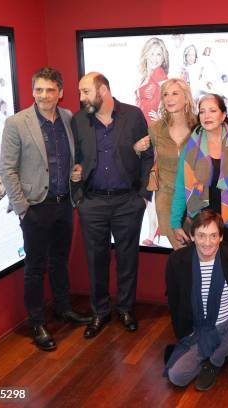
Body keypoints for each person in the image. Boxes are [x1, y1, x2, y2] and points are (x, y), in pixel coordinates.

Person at [0, 67, 90, 352]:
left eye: (50, 90)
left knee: (60, 261)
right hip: (35, 208)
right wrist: (23, 209)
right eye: (39, 89)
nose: (44, 95)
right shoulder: (17, 122)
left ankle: (63, 308)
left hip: (64, 204)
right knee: (35, 268)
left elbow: (72, 158)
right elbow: (7, 169)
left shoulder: (67, 118)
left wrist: (76, 171)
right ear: (32, 91)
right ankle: (37, 322)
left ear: (60, 93)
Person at [72, 72, 154, 338]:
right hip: (92, 202)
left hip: (127, 202)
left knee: (127, 258)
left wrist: (143, 195)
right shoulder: (79, 120)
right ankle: (100, 312)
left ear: (103, 90)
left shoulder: (133, 115)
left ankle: (126, 308)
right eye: (80, 92)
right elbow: (73, 158)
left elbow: (147, 154)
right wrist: (78, 196)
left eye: (85, 91)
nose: (81, 97)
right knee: (96, 259)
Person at [164, 209, 228, 391]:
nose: (207, 243)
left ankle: (215, 361)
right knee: (176, 376)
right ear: (192, 236)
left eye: (213, 236)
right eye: (201, 236)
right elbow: (175, 302)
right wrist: (184, 335)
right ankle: (226, 348)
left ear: (221, 237)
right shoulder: (177, 261)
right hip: (200, 331)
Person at [170, 93, 228, 246]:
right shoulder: (191, 145)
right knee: (204, 266)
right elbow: (181, 185)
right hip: (201, 217)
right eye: (202, 111)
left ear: (223, 115)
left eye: (212, 111)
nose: (207, 116)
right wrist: (175, 222)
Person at [133, 78, 197, 249]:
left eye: (175, 93)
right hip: (166, 197)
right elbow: (144, 159)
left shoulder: (199, 127)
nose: (169, 98)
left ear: (186, 97)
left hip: (196, 197)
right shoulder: (156, 129)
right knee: (180, 251)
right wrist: (137, 149)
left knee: (200, 251)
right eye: (165, 94)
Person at [136, 37, 169, 124]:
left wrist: (162, 119)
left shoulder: (159, 72)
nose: (155, 58)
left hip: (152, 125)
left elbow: (172, 98)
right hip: (141, 124)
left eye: (159, 54)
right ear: (146, 55)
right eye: (152, 54)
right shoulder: (145, 76)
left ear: (163, 58)